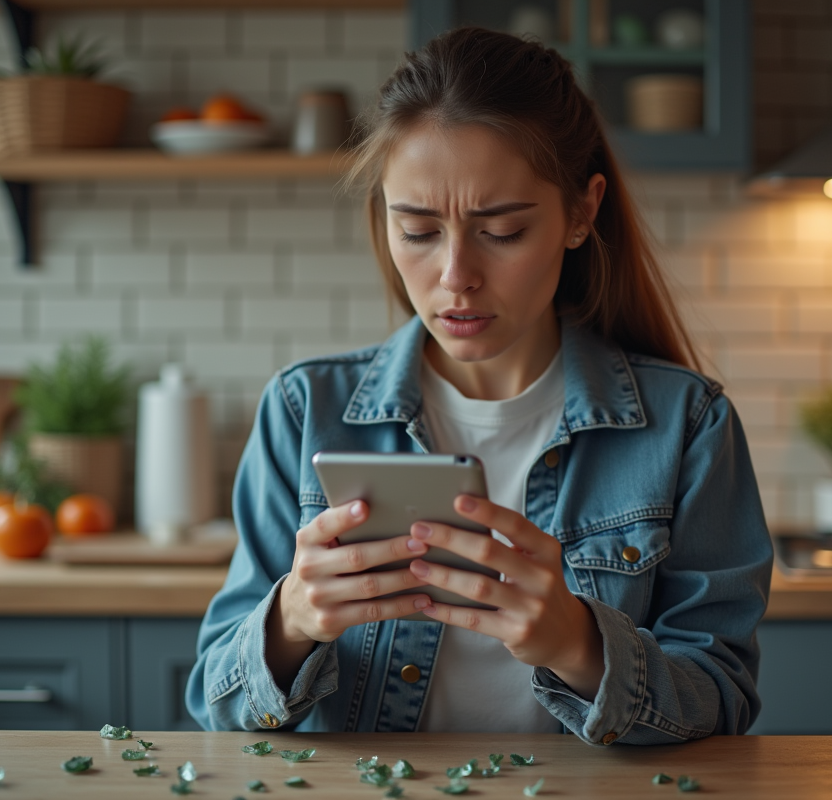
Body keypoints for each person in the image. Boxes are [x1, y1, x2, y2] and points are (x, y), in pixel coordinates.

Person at [186, 27, 772, 745]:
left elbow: (724, 696)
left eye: (502, 231)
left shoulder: (688, 424)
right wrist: (291, 622)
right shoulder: (304, 410)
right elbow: (216, 698)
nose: (456, 274)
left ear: (581, 213)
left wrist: (580, 647)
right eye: (420, 230)